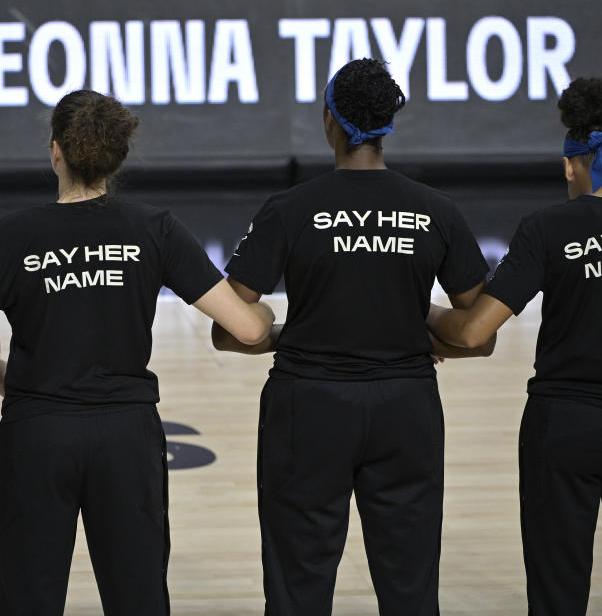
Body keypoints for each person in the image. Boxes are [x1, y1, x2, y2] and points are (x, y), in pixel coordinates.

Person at [0, 89, 275, 616]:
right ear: (117, 159)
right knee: (137, 599)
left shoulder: (11, 236)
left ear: (56, 151)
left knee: (28, 601)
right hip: (126, 437)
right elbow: (249, 330)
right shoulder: (154, 229)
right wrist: (267, 315)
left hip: (36, 435)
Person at [211, 58, 494, 616]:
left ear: (329, 122)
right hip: (406, 407)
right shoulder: (436, 210)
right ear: (388, 124)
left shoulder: (288, 209)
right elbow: (477, 332)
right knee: (410, 587)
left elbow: (230, 325)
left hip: (308, 408)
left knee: (298, 587)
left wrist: (282, 333)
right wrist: (422, 320)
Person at [427, 76, 602, 615]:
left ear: (570, 164)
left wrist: (413, 308)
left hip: (564, 428)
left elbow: (473, 331)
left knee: (558, 594)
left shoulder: (545, 228)